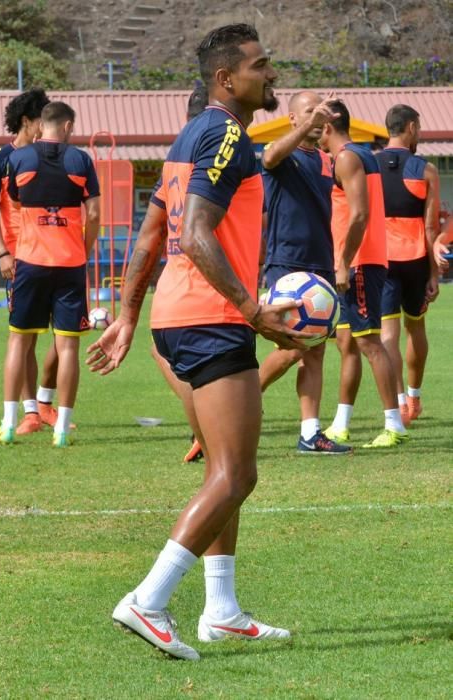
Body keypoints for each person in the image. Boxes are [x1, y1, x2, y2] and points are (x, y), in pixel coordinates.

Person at [87, 23, 311, 661]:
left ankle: (222, 610)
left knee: (225, 471)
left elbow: (154, 225)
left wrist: (128, 313)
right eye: (261, 66)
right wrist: (252, 310)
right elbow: (194, 235)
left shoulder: (200, 135)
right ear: (227, 78)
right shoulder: (220, 131)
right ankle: (148, 601)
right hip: (210, 316)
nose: (271, 75)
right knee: (237, 473)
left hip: (180, 314)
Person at [0, 101, 100, 447]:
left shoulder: (19, 159)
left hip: (29, 262)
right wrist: (82, 249)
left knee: (18, 341)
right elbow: (95, 213)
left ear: (43, 125)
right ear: (67, 126)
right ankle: (60, 429)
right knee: (66, 347)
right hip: (69, 264)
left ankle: (9, 424)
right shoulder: (81, 160)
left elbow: (15, 200)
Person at [260, 90, 351, 455]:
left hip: (321, 265)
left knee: (314, 351)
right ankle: (224, 412)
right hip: (287, 263)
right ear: (293, 119)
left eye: (321, 111)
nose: (318, 117)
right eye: (309, 111)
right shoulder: (283, 154)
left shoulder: (329, 161)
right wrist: (306, 128)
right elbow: (268, 157)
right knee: (290, 349)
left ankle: (310, 434)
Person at [321, 100, 408, 448]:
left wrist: (343, 261)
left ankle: (394, 424)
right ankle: (340, 424)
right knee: (347, 344)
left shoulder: (347, 157)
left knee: (370, 342)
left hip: (359, 263)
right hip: (358, 261)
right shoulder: (359, 154)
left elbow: (359, 216)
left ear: (328, 126)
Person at [0, 89, 66, 435]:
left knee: (67, 337)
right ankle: (31, 411)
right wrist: (2, 251)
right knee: (26, 336)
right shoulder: (0, 160)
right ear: (27, 121)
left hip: (59, 258)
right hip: (20, 259)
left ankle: (44, 401)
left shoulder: (52, 157)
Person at [149, 85, 209, 463]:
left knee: (164, 352)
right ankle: (207, 430)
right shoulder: (219, 148)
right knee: (234, 477)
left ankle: (206, 430)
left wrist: (128, 311)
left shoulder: (174, 157)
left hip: (173, 290)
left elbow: (149, 232)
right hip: (206, 289)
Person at [376, 105, 440, 424]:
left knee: (388, 335)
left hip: (381, 261)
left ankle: (399, 402)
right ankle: (414, 398)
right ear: (411, 127)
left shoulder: (368, 166)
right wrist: (434, 272)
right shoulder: (425, 169)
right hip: (415, 259)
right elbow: (431, 227)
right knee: (415, 327)